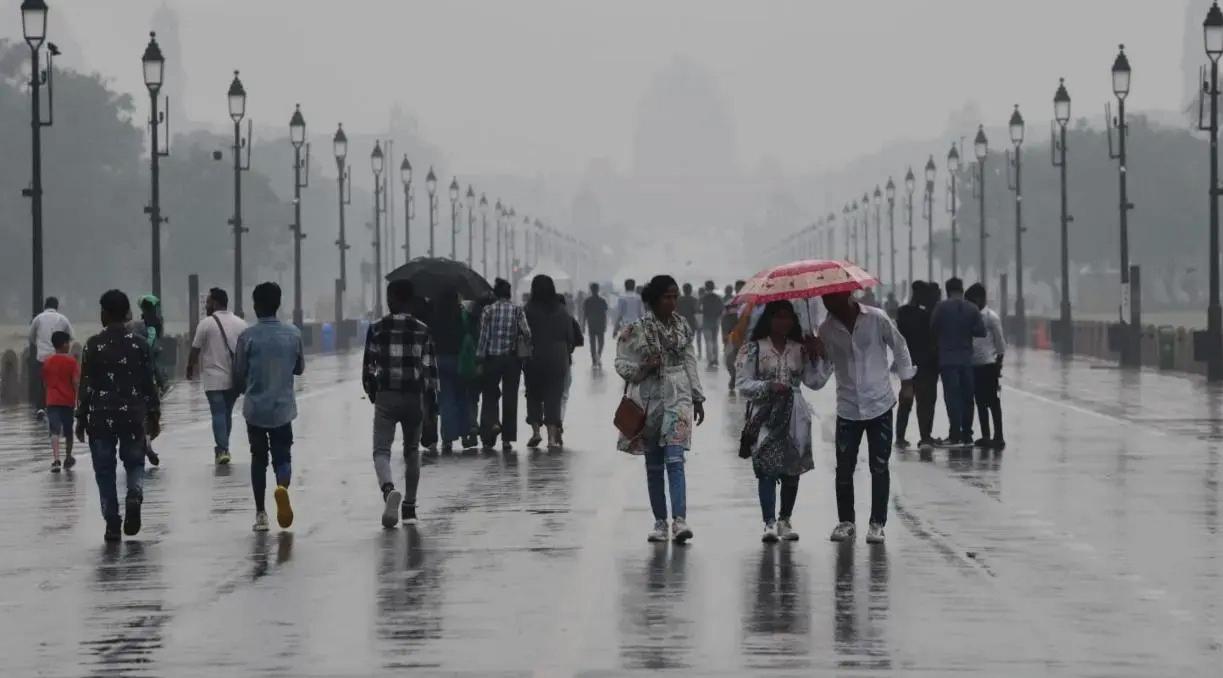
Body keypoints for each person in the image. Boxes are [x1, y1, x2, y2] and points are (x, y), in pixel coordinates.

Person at [810, 289, 915, 544]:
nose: (827, 302)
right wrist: (815, 354)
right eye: (824, 298)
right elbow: (818, 380)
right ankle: (846, 522)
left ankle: (877, 523)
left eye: (831, 297)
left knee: (879, 466)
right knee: (844, 468)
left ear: (847, 294)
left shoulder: (877, 318)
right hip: (848, 408)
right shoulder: (825, 331)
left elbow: (899, 346)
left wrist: (907, 382)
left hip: (880, 403)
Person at [615, 274, 705, 543]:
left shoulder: (682, 327)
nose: (673, 302)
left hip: (678, 398)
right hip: (649, 401)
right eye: (667, 297)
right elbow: (620, 363)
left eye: (675, 296)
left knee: (675, 460)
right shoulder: (635, 330)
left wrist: (698, 396)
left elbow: (690, 361)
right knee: (653, 465)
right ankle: (659, 521)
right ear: (654, 299)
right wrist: (643, 368)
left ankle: (680, 520)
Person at [75, 290, 161, 542]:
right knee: (134, 462)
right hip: (132, 414)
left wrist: (80, 417)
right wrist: (154, 413)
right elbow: (149, 382)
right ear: (126, 315)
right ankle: (134, 493)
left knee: (104, 470)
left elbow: (86, 385)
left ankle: (112, 523)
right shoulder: (140, 344)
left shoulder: (93, 345)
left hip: (101, 417)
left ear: (104, 314)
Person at [736, 301, 821, 542]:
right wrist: (767, 386)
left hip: (796, 414)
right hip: (765, 415)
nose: (783, 322)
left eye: (788, 317)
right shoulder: (753, 349)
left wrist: (818, 355)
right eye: (778, 317)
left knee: (792, 469)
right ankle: (769, 522)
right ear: (769, 319)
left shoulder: (800, 349)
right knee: (767, 469)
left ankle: (785, 518)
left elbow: (815, 381)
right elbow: (742, 384)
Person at [364, 279, 439, 528]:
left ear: (393, 299)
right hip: (414, 396)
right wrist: (430, 405)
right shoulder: (423, 329)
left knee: (381, 450)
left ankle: (388, 491)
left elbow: (369, 369)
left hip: (387, 395)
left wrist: (374, 392)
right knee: (412, 450)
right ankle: (409, 507)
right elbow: (430, 372)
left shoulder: (376, 328)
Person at [233, 282, 304, 532]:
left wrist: (246, 387)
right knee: (283, 456)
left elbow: (238, 373)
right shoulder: (293, 333)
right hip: (283, 408)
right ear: (278, 304)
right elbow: (299, 368)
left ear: (255, 306)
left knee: (258, 458)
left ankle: (261, 514)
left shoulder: (247, 337)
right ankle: (282, 488)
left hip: (255, 408)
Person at [186, 287, 249, 465]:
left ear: (214, 302)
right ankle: (224, 447)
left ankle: (222, 449)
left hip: (213, 378)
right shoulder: (241, 323)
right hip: (235, 378)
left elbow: (195, 349)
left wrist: (190, 367)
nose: (206, 305)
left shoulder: (206, 324)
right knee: (226, 413)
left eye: (208, 302)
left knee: (218, 413)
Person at [930, 277, 987, 447]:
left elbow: (933, 327)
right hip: (966, 360)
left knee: (952, 397)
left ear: (947, 291)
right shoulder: (972, 308)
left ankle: (954, 434)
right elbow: (981, 331)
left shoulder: (941, 307)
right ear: (962, 290)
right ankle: (967, 434)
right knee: (968, 398)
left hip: (947, 360)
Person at [477, 278, 531, 452]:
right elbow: (527, 333)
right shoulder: (517, 310)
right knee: (510, 397)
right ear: (509, 293)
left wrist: (479, 357)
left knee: (490, 394)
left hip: (492, 358)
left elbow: (483, 337)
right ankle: (507, 439)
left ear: (495, 293)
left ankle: (491, 427)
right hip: (512, 360)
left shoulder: (488, 310)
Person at [523, 275, 575, 448]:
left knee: (533, 394)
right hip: (557, 356)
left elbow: (522, 334)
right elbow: (570, 336)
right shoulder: (561, 310)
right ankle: (552, 438)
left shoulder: (528, 310)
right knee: (554, 395)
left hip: (534, 354)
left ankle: (536, 432)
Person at [895, 282, 939, 448]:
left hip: (908, 361)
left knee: (906, 400)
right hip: (926, 363)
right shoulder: (928, 315)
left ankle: (900, 436)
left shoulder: (903, 312)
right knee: (925, 402)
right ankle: (925, 436)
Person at [430, 288, 474, 453]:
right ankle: (465, 435)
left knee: (445, 400)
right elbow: (467, 334)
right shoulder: (461, 316)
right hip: (459, 360)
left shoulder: (434, 317)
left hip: (439, 360)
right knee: (462, 398)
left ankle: (447, 439)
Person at [966, 283, 1006, 449]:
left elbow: (1000, 343)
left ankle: (999, 436)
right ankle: (985, 435)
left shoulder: (991, 317)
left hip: (988, 364)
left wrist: (999, 364)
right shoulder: (970, 316)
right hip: (973, 364)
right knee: (980, 402)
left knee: (993, 402)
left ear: (980, 299)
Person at [29, 296, 73, 416]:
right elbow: (70, 336)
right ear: (57, 306)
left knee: (42, 383)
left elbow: (31, 336)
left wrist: (39, 344)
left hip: (42, 357)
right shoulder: (63, 319)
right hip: (57, 357)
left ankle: (41, 408)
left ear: (45, 306)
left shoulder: (38, 319)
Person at [42, 330, 79, 472]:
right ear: (64, 344)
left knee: (54, 430)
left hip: (51, 401)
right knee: (69, 431)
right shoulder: (72, 361)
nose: (69, 345)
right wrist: (78, 400)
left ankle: (56, 459)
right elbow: (75, 382)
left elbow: (45, 383)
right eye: (68, 342)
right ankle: (68, 456)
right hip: (67, 401)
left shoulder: (47, 361)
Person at [583, 282, 609, 369]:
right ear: (598, 290)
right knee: (601, 342)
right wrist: (605, 324)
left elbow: (585, 314)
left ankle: (594, 360)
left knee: (592, 343)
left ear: (591, 290)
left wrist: (583, 325)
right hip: (600, 324)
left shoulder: (587, 301)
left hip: (591, 324)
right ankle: (598, 356)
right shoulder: (602, 300)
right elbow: (605, 313)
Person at [699, 281, 724, 367]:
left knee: (708, 341)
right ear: (713, 287)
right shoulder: (718, 298)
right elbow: (722, 309)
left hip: (706, 321)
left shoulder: (702, 298)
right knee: (715, 341)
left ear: (706, 288)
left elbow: (698, 309)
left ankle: (710, 360)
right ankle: (716, 359)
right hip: (715, 322)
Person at [677, 283, 701, 359]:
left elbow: (675, 311)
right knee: (689, 341)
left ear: (683, 290)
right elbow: (697, 312)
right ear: (690, 290)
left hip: (680, 322)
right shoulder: (694, 300)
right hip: (691, 323)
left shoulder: (678, 300)